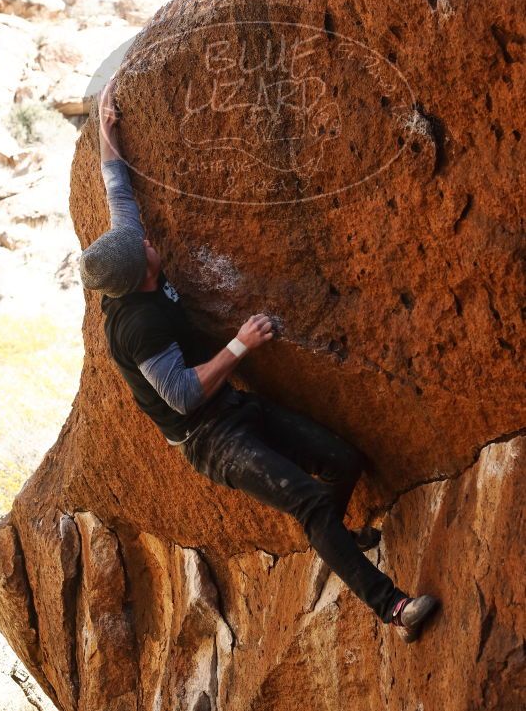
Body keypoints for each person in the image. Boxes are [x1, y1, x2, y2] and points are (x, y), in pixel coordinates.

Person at [79, 79, 439, 643]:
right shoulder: (138, 325)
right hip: (209, 439)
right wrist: (241, 345)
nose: (150, 242)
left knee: (343, 461)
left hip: (233, 406)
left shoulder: (129, 259)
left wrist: (107, 131)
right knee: (313, 501)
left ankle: (331, 540)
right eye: (145, 248)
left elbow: (118, 195)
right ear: (138, 276)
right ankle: (392, 608)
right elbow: (180, 394)